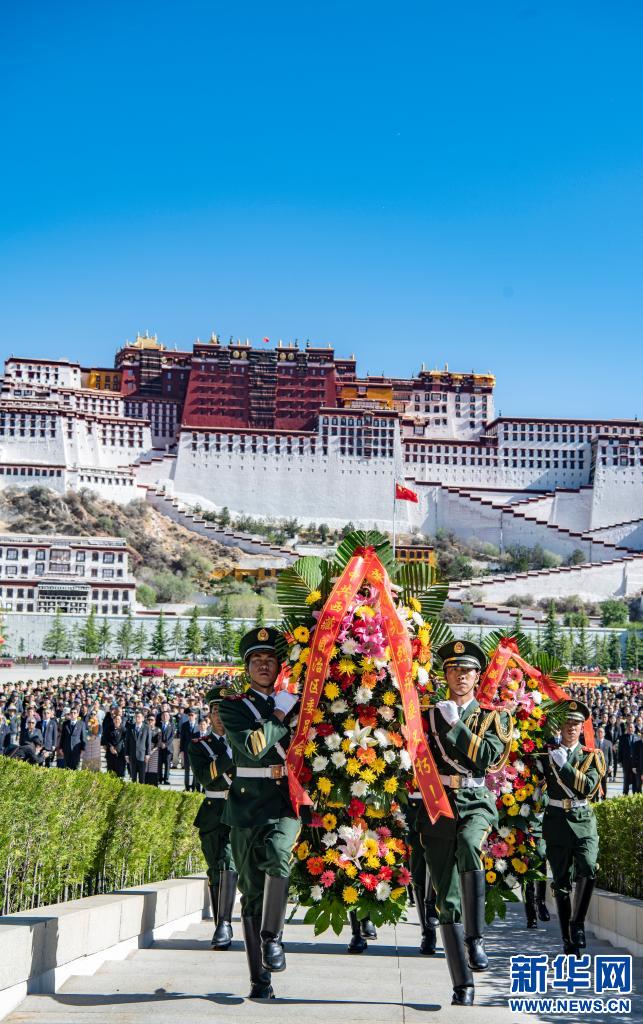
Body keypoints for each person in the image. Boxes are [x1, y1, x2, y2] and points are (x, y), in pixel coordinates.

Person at [416, 639, 513, 1007]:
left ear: (477, 677)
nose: (461, 676)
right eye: (454, 670)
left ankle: (476, 938)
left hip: (474, 801)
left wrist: (455, 724)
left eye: (468, 671)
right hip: (439, 804)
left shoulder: (493, 718)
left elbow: (486, 757)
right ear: (445, 676)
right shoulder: (427, 716)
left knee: (472, 844)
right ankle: (462, 984)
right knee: (446, 898)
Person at [219, 627, 300, 1001]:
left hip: (284, 801)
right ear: (247, 667)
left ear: (280, 666)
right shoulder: (233, 707)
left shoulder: (297, 702)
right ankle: (259, 980)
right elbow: (253, 747)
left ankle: (272, 938)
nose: (264, 665)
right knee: (251, 894)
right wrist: (281, 712)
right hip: (246, 806)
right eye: (257, 660)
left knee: (280, 853)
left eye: (270, 660)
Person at [536, 699, 606, 955]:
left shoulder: (592, 756)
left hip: (583, 820)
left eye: (576, 723)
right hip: (556, 821)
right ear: (560, 725)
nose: (571, 727)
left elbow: (587, 787)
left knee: (588, 866)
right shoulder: (546, 754)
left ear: (581, 727)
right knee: (561, 883)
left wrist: (564, 766)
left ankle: (577, 924)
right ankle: (567, 937)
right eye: (567, 722)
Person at [188, 691, 237, 950]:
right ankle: (220, 922)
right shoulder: (199, 746)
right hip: (212, 813)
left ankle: (224, 925)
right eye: (215, 712)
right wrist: (233, 753)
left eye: (224, 712)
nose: (219, 717)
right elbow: (207, 777)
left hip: (237, 812)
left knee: (228, 861)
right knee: (214, 867)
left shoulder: (244, 742)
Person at [126, 709, 152, 783]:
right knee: (133, 776)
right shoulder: (130, 727)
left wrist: (147, 754)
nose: (137, 718)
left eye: (139, 717)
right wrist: (126, 754)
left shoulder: (146, 728)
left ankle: (141, 789)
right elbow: (127, 741)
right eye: (136, 717)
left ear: (143, 718)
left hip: (142, 755)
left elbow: (148, 742)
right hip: (132, 754)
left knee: (142, 776)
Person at [617, 722, 641, 795]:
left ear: (634, 728)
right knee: (626, 779)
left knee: (635, 779)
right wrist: (619, 761)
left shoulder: (638, 737)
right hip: (626, 762)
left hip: (635, 763)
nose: (630, 729)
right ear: (626, 728)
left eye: (631, 727)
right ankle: (625, 794)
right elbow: (620, 750)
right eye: (629, 727)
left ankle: (635, 794)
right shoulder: (622, 737)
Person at [180, 709, 200, 791]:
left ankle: (194, 786)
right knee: (187, 770)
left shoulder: (199, 725)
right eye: (189, 715)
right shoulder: (184, 725)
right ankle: (187, 787)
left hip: (196, 751)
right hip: (187, 750)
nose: (190, 716)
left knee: (195, 770)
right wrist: (181, 750)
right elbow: (182, 739)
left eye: (192, 715)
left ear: (196, 716)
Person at [103, 710, 127, 777]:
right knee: (110, 771)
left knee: (120, 772)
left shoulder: (124, 729)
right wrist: (110, 747)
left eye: (118, 719)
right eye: (115, 719)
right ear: (113, 720)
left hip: (120, 753)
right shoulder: (108, 728)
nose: (117, 721)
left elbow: (124, 740)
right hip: (110, 752)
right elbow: (105, 739)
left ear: (121, 721)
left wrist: (116, 748)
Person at [594, 726, 614, 799]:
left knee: (604, 783)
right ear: (596, 733)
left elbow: (610, 755)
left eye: (601, 732)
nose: (600, 733)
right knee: (595, 783)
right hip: (595, 766)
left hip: (605, 766)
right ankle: (595, 798)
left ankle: (604, 797)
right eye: (598, 732)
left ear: (604, 733)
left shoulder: (608, 743)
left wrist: (610, 766)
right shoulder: (593, 742)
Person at [158, 709, 175, 784]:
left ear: (169, 717)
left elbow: (172, 736)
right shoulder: (158, 725)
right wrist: (160, 743)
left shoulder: (172, 725)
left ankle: (166, 779)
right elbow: (157, 735)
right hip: (160, 747)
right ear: (161, 717)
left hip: (168, 748)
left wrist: (166, 744)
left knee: (167, 764)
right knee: (159, 764)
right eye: (163, 715)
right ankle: (159, 778)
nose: (165, 717)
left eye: (166, 715)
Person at [145, 713, 161, 785]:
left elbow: (159, 742)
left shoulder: (158, 730)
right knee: (145, 768)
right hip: (145, 751)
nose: (150, 721)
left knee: (153, 769)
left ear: (155, 721)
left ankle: (153, 785)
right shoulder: (144, 729)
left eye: (152, 720)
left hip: (154, 751)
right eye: (149, 720)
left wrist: (153, 750)